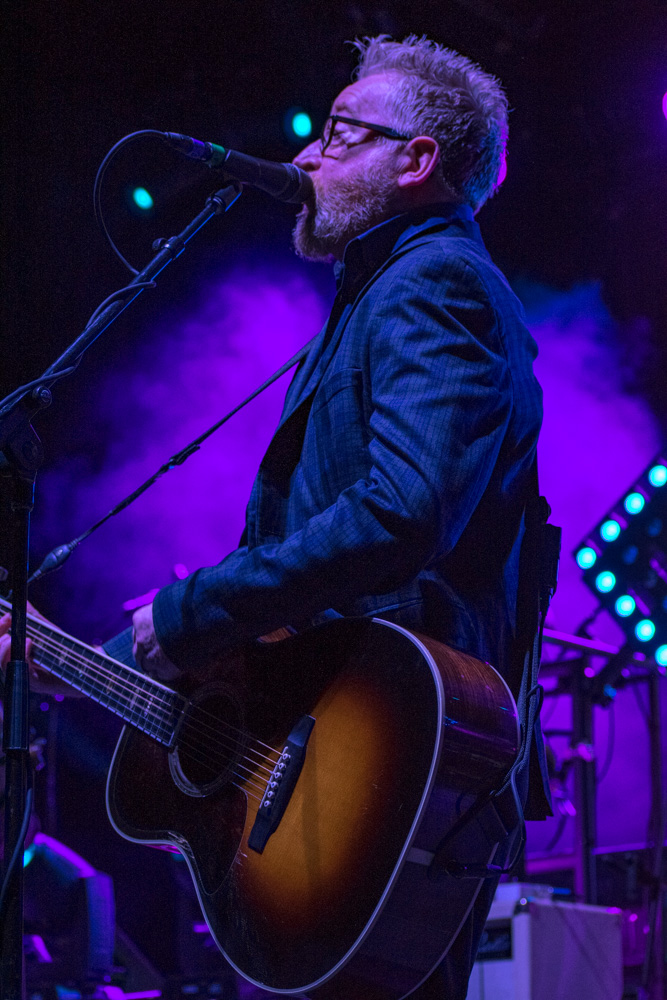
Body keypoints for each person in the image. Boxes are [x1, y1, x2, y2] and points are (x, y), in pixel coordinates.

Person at [2, 34, 550, 998]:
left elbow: (402, 511)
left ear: (415, 161)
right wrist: (107, 654)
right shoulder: (380, 293)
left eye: (341, 134)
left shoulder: (434, 281)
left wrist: (190, 613)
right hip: (337, 762)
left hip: (387, 769)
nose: (304, 156)